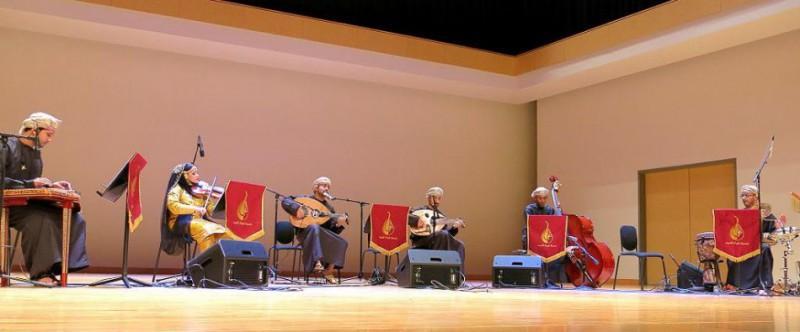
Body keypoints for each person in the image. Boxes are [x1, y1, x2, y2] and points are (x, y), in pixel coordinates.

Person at [2, 112, 89, 285]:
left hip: (27, 204)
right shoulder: (5, 147)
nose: (50, 140)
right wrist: (31, 184)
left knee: (74, 217)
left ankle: (58, 267)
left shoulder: (36, 155)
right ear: (33, 131)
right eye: (48, 135)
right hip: (7, 205)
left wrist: (51, 186)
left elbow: (33, 185)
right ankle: (40, 274)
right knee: (40, 220)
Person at [281, 176, 348, 284]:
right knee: (314, 227)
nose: (326, 188)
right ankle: (316, 262)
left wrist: (337, 224)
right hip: (304, 232)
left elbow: (331, 231)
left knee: (342, 242)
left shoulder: (329, 209)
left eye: (328, 187)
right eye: (324, 186)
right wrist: (296, 209)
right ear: (316, 188)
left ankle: (329, 271)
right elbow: (285, 200)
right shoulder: (305, 199)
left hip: (320, 235)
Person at [159, 163, 233, 259]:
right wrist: (196, 209)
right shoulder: (177, 189)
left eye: (197, 173)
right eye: (194, 173)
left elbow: (210, 210)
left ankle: (220, 266)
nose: (198, 176)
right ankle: (206, 266)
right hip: (180, 221)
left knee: (225, 233)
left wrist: (223, 204)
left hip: (198, 221)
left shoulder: (201, 190)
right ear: (185, 176)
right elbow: (173, 206)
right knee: (206, 231)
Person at [724, 184, 784, 291]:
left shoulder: (765, 213)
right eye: (742, 196)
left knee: (765, 248)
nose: (743, 198)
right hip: (743, 246)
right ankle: (735, 284)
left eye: (746, 195)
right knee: (731, 251)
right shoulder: (740, 214)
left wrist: (777, 226)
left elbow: (773, 231)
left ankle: (764, 284)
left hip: (757, 245)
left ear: (755, 196)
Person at [406, 187, 466, 273]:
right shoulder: (418, 210)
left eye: (439, 198)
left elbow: (448, 235)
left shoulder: (441, 216)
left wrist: (454, 228)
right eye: (435, 197)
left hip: (438, 238)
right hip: (421, 240)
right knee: (442, 234)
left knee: (460, 244)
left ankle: (459, 277)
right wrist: (417, 221)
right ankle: (437, 272)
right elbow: (406, 217)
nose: (437, 200)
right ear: (428, 197)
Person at [523, 186, 565, 287]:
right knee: (535, 258)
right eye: (540, 198)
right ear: (535, 198)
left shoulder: (549, 209)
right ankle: (535, 280)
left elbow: (553, 224)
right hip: (531, 237)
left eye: (544, 198)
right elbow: (531, 224)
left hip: (545, 239)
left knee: (554, 256)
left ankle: (548, 280)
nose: (542, 200)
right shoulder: (529, 209)